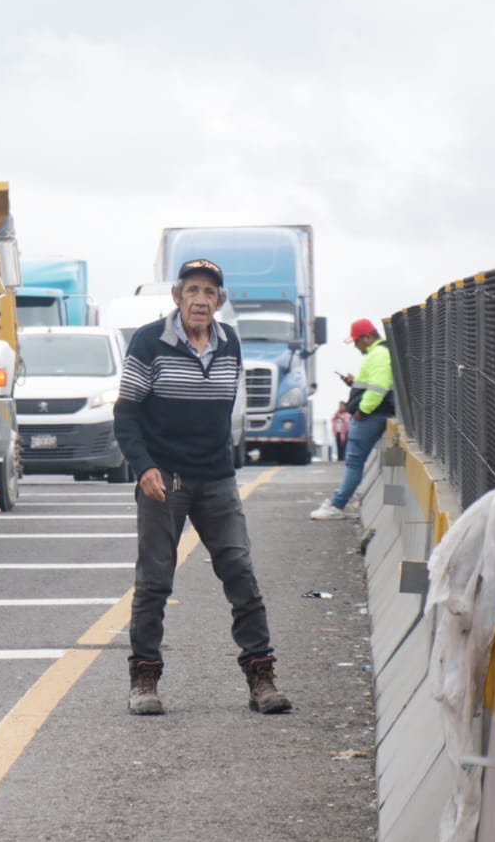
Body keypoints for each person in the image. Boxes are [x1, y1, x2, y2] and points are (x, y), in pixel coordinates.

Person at [113, 258, 291, 716]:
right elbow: (126, 412)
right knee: (154, 582)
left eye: (210, 293)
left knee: (241, 574)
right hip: (163, 479)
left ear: (220, 301)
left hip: (216, 478)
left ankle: (261, 677)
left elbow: (222, 411)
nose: (200, 300)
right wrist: (144, 467)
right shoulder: (149, 341)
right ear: (177, 297)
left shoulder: (229, 342)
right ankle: (145, 678)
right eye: (192, 290)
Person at [311, 318, 395, 520]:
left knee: (354, 462)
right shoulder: (379, 353)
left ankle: (337, 504)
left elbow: (378, 387)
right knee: (355, 462)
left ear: (367, 337)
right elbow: (372, 385)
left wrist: (362, 411)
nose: (357, 347)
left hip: (370, 416)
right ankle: (337, 503)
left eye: (357, 341)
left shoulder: (379, 354)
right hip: (374, 414)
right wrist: (354, 383)